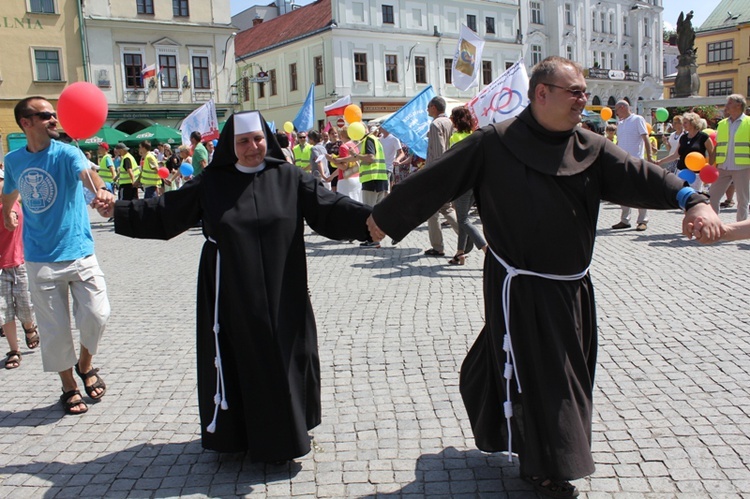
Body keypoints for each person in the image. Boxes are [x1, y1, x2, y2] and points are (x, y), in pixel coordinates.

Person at [365, 57, 722, 498]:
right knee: (548, 374)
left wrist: (694, 199)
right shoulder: (493, 143)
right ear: (541, 93)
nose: (583, 100)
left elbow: (643, 174)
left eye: (584, 92)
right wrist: (384, 217)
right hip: (516, 285)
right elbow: (438, 178)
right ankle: (551, 464)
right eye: (574, 91)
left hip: (572, 287)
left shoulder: (590, 145)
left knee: (545, 365)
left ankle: (512, 428)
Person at [104, 110, 372, 462]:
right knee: (236, 359)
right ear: (231, 146)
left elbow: (331, 208)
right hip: (230, 293)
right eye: (243, 141)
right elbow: (164, 211)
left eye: (258, 139)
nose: (252, 147)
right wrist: (118, 210)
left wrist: (373, 220)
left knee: (284, 356)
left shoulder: (289, 177)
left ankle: (287, 436)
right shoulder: (211, 183)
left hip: (282, 290)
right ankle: (236, 438)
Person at [3, 96, 114, 415]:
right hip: (39, 257)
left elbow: (89, 177)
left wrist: (102, 192)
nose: (54, 119)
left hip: (79, 251)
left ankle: (85, 363)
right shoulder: (13, 160)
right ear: (26, 122)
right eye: (45, 116)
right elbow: (10, 190)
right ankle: (69, 386)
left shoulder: (68, 152)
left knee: (97, 314)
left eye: (54, 114)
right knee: (54, 331)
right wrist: (8, 211)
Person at [0, 168, 39, 370]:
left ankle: (29, 326)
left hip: (18, 263)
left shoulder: (11, 203)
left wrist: (12, 216)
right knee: (3, 311)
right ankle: (14, 350)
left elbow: (14, 213)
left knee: (25, 306)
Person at [448, 106, 486, 265]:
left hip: (462, 183)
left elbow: (453, 163)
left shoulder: (455, 138)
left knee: (463, 220)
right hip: (475, 182)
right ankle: (460, 253)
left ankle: (486, 249)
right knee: (463, 217)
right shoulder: (476, 135)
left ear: (456, 120)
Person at [424, 96, 459, 257]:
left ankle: (438, 247)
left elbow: (439, 151)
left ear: (434, 107)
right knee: (446, 208)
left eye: (428, 106)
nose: (427, 109)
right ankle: (468, 237)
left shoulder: (435, 124)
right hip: (451, 169)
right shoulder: (451, 123)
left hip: (438, 172)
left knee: (432, 210)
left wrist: (434, 173)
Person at [611, 100, 653, 231]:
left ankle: (642, 220)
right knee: (623, 192)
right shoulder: (621, 123)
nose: (616, 113)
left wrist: (649, 156)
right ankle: (625, 220)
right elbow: (619, 142)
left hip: (636, 161)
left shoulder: (637, 119)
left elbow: (645, 138)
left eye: (616, 110)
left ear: (623, 107)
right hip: (623, 162)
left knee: (640, 191)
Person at [708, 94, 750, 221]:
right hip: (722, 167)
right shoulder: (722, 124)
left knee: (743, 200)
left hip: (742, 167)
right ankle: (713, 225)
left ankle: (740, 229)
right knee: (712, 197)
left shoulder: (748, 122)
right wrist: (711, 164)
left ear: (738, 105)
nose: (726, 106)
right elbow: (718, 144)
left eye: (729, 103)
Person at [656, 112, 715, 193]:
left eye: (685, 122)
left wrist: (709, 169)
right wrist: (660, 161)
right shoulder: (683, 137)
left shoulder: (703, 137)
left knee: (694, 195)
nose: (683, 125)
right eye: (683, 122)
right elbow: (676, 155)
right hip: (681, 171)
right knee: (679, 194)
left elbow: (712, 153)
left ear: (693, 122)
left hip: (696, 174)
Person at [327, 126, 362, 202]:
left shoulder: (343, 146)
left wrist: (332, 160)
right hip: (356, 177)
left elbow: (344, 167)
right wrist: (332, 176)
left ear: (341, 136)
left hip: (345, 179)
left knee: (345, 204)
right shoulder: (354, 146)